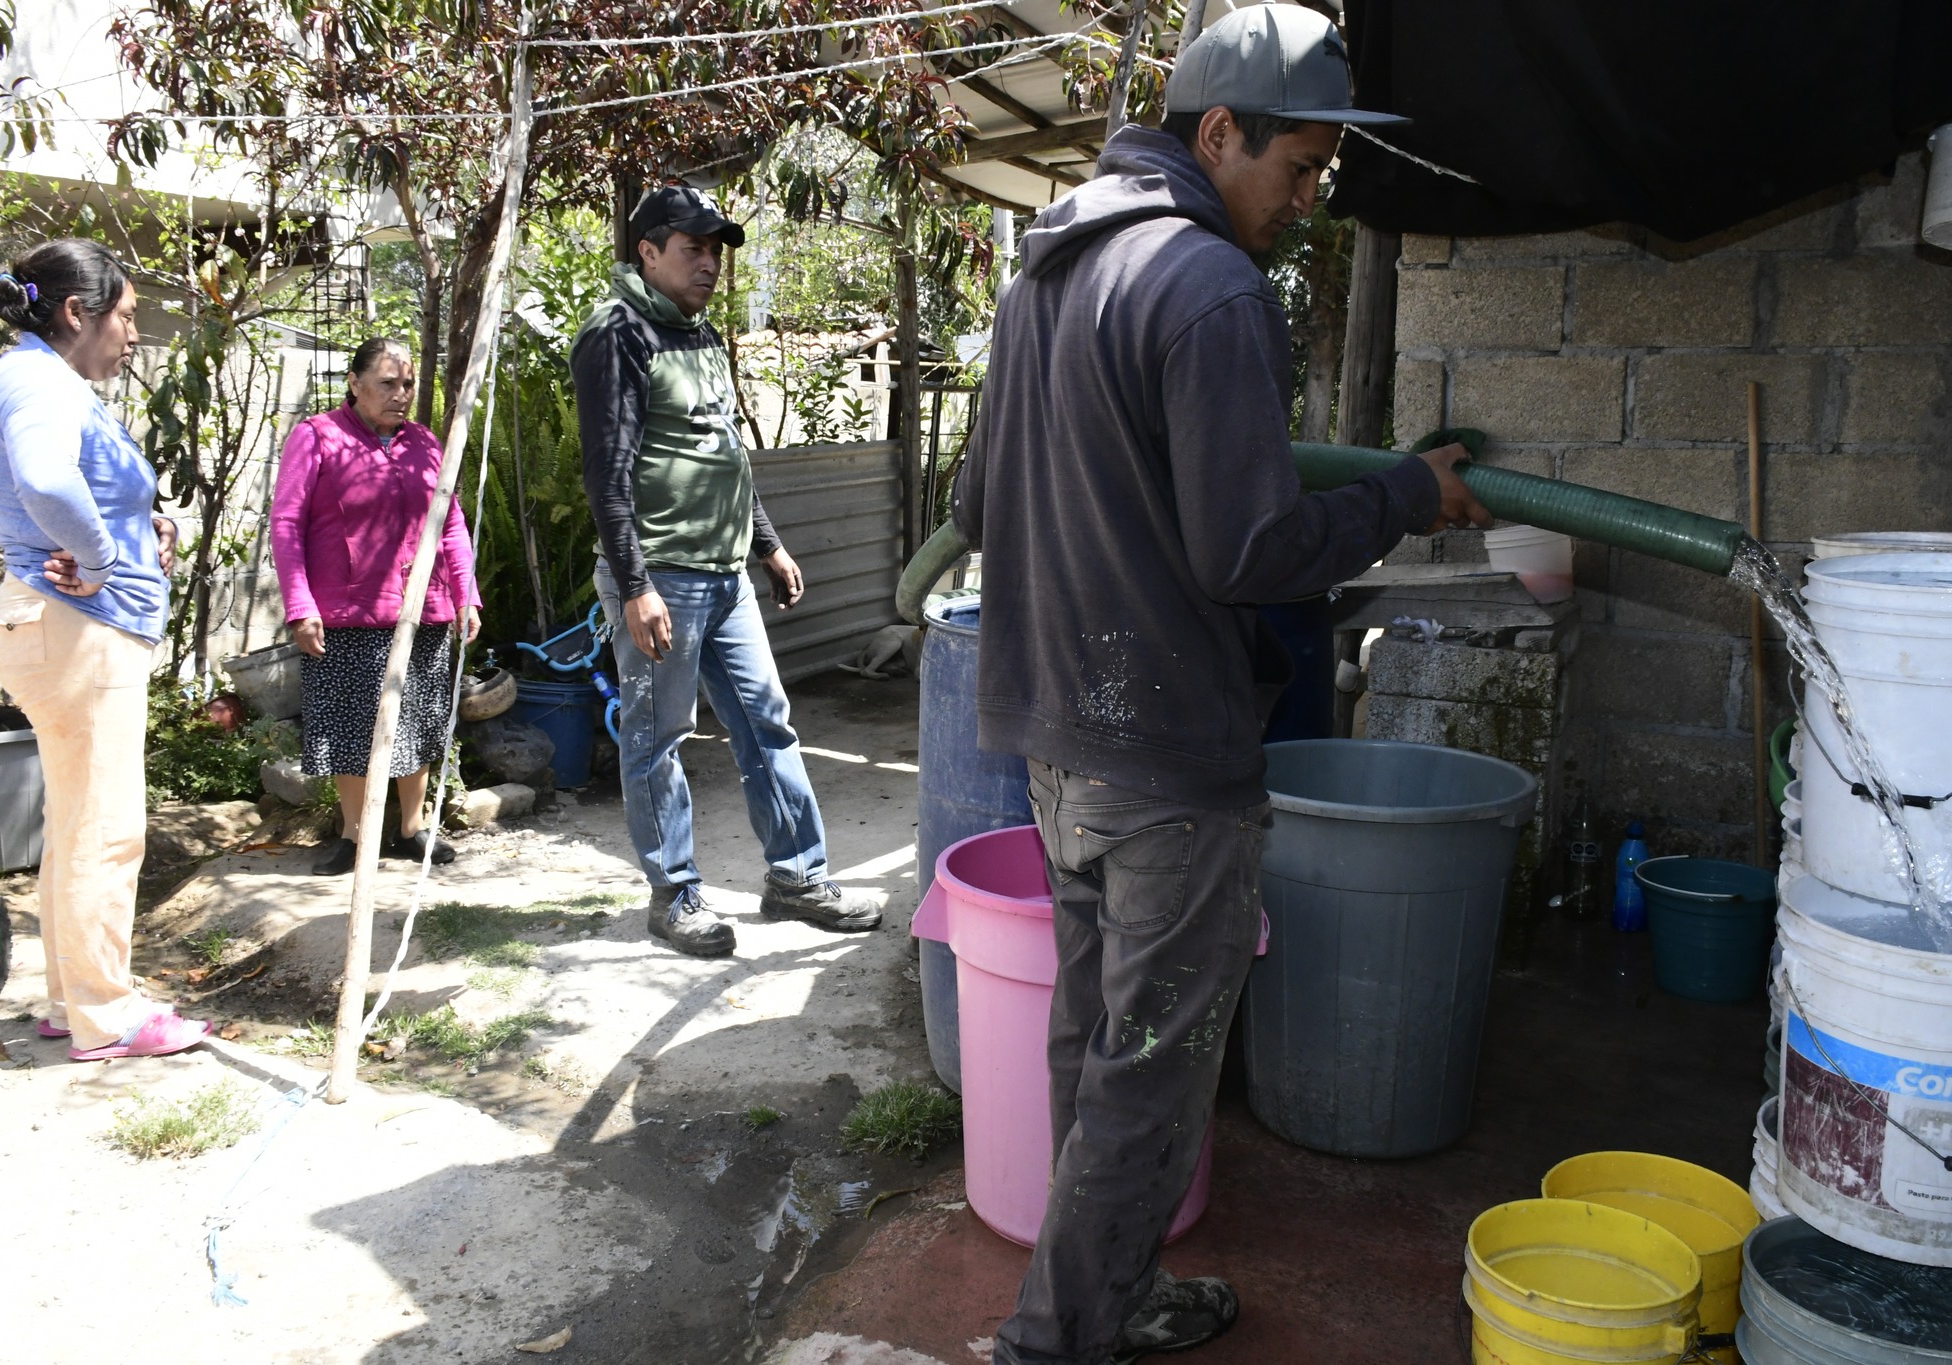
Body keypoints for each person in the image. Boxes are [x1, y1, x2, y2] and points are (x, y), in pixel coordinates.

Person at [952, 9, 1492, 1363]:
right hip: (1168, 761)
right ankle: (1051, 1342)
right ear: (1215, 134)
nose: (1306, 203)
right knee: (1149, 1078)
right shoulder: (1207, 289)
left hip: (1056, 742)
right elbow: (1248, 550)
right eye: (1297, 169)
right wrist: (1401, 497)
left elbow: (970, 503)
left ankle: (1114, 1297)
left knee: (1096, 1044)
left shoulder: (1044, 274)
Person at [572, 185, 881, 958]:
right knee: (657, 738)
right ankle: (674, 895)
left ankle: (797, 876)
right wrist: (636, 584)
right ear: (647, 251)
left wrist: (766, 543)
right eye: (693, 248)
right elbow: (606, 476)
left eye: (715, 251)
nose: (709, 264)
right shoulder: (618, 336)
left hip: (721, 572)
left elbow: (723, 453)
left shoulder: (699, 335)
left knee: (766, 722)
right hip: (661, 576)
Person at [0, 239, 209, 1060]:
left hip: (58, 626)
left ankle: (68, 997)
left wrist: (138, 524)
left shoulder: (36, 377)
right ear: (76, 313)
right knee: (107, 828)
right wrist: (99, 559)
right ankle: (105, 1012)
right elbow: (46, 482)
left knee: (77, 822)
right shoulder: (39, 380)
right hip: (75, 628)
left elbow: (74, 482)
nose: (132, 332)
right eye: (123, 315)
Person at [271, 338, 481, 877]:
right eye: (388, 383)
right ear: (355, 384)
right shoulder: (317, 437)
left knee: (420, 720)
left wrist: (465, 593)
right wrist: (300, 603)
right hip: (346, 613)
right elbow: (287, 524)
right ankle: (354, 834)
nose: (401, 394)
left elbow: (450, 523)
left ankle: (412, 829)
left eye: (407, 383)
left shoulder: (426, 444)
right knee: (350, 727)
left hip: (420, 608)